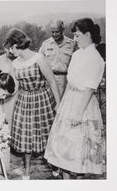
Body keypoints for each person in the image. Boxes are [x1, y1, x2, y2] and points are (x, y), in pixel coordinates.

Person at [44, 18, 105, 179]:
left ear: (88, 34)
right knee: (64, 150)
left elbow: (90, 89)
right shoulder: (77, 54)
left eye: (77, 35)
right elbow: (70, 83)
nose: (75, 39)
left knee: (79, 150)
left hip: (83, 106)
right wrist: (61, 103)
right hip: (69, 101)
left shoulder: (95, 58)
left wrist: (78, 114)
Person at [3, 28, 61, 179]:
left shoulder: (39, 58)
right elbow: (14, 87)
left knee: (47, 133)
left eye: (10, 48)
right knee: (25, 135)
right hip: (24, 100)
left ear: (16, 45)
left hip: (42, 99)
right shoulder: (15, 63)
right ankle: (27, 170)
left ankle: (55, 165)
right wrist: (1, 94)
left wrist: (59, 104)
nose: (10, 51)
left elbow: (52, 82)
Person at [39, 20, 76, 97]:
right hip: (49, 80)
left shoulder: (72, 44)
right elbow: (39, 62)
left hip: (66, 80)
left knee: (64, 105)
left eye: (57, 32)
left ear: (62, 30)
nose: (54, 34)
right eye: (52, 32)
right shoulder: (46, 44)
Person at [0, 48, 17, 129]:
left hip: (15, 97)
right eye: (8, 48)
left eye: (12, 48)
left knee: (13, 120)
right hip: (1, 99)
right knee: (0, 120)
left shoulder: (19, 60)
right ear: (5, 48)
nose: (10, 51)